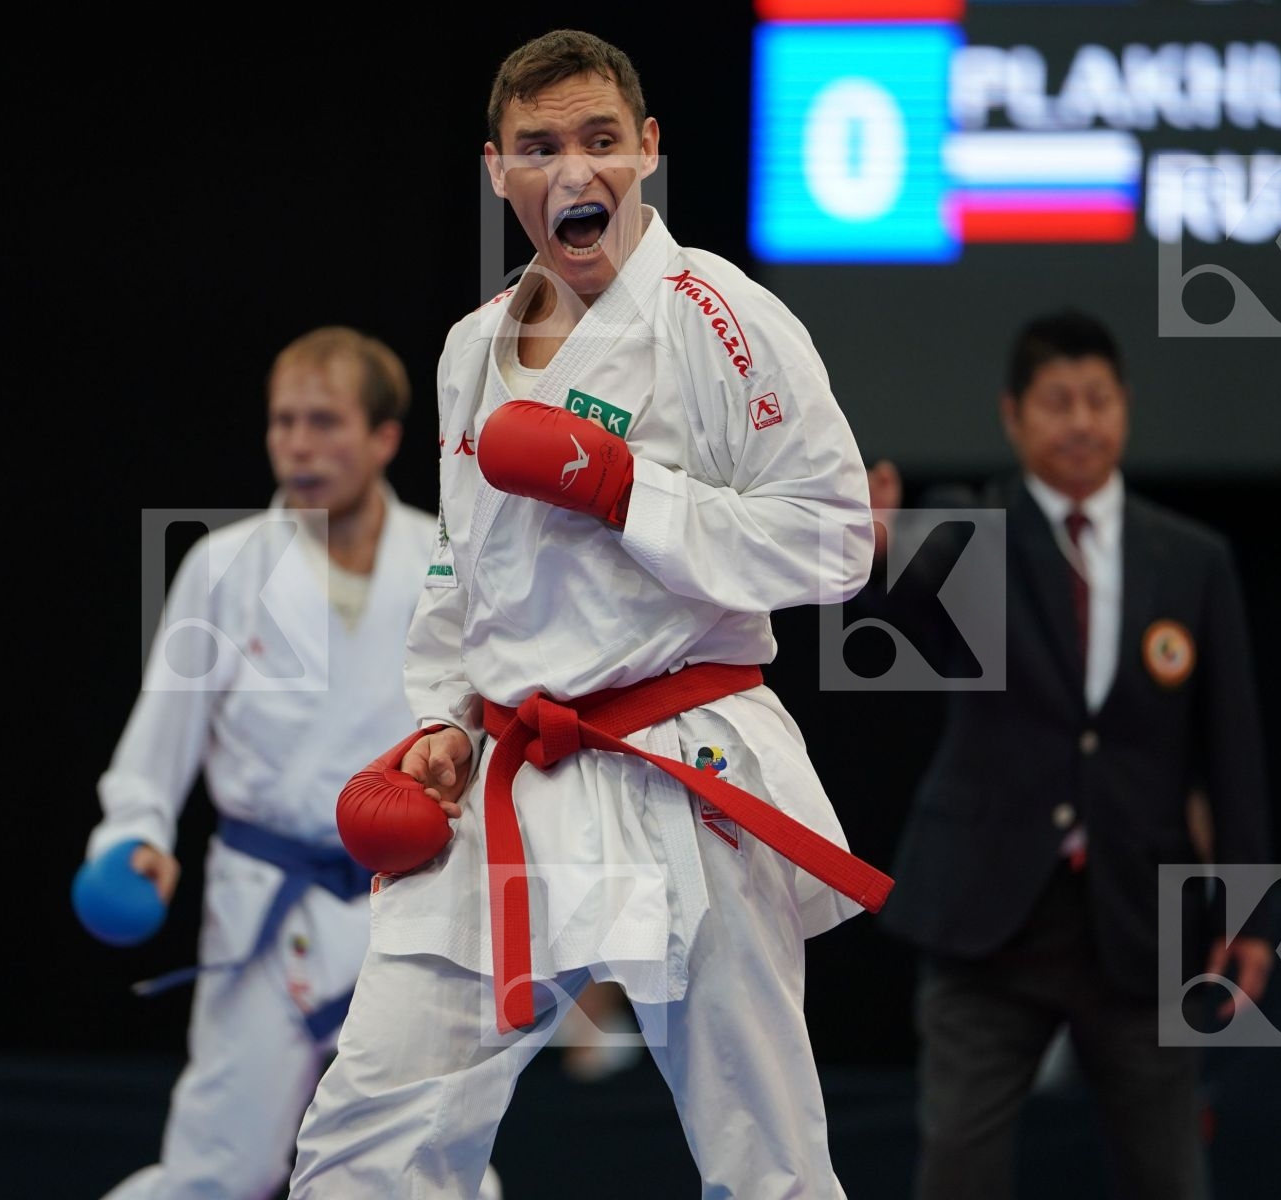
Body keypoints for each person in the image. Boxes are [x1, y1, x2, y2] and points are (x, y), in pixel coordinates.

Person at [288, 29, 885, 1199]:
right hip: (516, 776)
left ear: (649, 150)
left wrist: (628, 490)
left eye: (603, 141)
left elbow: (836, 542)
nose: (577, 172)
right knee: (366, 1140)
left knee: (766, 1162)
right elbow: (461, 573)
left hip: (679, 763)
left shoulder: (726, 320)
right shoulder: (470, 352)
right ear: (498, 171)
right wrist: (442, 724)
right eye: (542, 147)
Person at [855, 310, 1271, 1200]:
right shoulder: (974, 531)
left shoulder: (1193, 561)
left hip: (1141, 920)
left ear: (1124, 407)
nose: (1080, 421)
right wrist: (877, 539)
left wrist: (1256, 912)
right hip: (988, 917)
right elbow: (899, 581)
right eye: (1057, 402)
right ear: (1014, 415)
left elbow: (1232, 752)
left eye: (1097, 399)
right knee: (957, 1171)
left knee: (1171, 1176)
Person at [88, 326, 449, 1200]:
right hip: (266, 900)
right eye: (283, 421)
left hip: (405, 901)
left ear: (384, 438)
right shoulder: (225, 566)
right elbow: (161, 731)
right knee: (224, 1169)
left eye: (324, 421)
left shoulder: (447, 559)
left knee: (421, 1169)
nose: (298, 443)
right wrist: (136, 830)